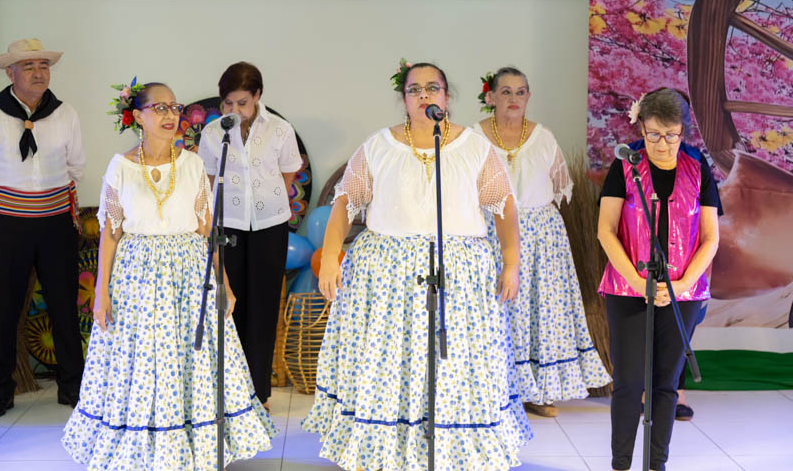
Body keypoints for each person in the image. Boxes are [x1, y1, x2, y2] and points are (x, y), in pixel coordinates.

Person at [303, 61, 531, 471]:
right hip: (387, 273)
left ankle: (455, 450)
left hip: (460, 272)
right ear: (404, 99)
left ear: (446, 96)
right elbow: (344, 204)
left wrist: (511, 264)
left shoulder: (475, 146)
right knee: (390, 363)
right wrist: (330, 260)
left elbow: (504, 207)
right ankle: (385, 449)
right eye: (414, 89)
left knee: (453, 363)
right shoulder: (378, 145)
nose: (424, 95)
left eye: (433, 88)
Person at [62, 82, 276, 470]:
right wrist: (102, 292)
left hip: (188, 270)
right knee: (143, 359)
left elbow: (206, 228)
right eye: (158, 108)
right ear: (137, 116)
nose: (169, 115)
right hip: (137, 273)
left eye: (174, 108)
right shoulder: (121, 165)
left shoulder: (193, 163)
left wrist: (223, 283)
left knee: (188, 357)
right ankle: (145, 442)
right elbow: (111, 232)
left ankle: (194, 440)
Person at [474, 67, 611, 418]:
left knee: (540, 313)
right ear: (490, 97)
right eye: (506, 92)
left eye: (521, 92)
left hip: (542, 235)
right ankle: (493, 389)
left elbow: (558, 189)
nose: (514, 99)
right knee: (497, 311)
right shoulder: (473, 139)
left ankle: (537, 390)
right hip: (491, 231)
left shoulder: (543, 137)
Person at [597, 88, 722, 471]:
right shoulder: (626, 164)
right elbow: (606, 230)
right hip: (628, 289)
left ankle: (657, 465)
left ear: (683, 131)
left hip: (682, 293)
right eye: (654, 135)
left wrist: (681, 286)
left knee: (666, 384)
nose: (663, 144)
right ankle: (620, 464)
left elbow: (710, 237)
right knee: (630, 383)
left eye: (671, 135)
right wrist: (639, 283)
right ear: (641, 126)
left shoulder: (697, 166)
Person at [197, 61, 302, 410]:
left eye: (242, 102)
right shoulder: (212, 134)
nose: (235, 110)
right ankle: (233, 393)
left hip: (270, 226)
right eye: (228, 103)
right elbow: (208, 181)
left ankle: (259, 393)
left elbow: (288, 173)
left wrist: (265, 205)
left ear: (257, 96)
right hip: (228, 226)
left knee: (264, 307)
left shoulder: (281, 130)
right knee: (231, 307)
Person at [0, 38, 85, 417]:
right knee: (1, 309)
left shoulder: (66, 115)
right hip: (4, 224)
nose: (38, 73)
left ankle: (74, 391)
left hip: (55, 223)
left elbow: (76, 168)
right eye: (28, 66)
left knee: (64, 305)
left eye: (43, 66)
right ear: (10, 73)